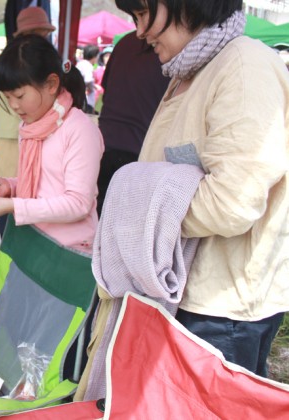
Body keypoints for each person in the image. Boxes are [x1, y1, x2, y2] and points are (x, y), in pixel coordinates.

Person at [115, 0, 289, 377]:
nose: (140, 31)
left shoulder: (245, 67)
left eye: (144, 13)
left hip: (220, 309)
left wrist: (139, 212)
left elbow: (232, 202)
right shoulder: (191, 69)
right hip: (182, 294)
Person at [0, 34, 104, 254]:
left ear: (51, 84)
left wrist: (14, 205)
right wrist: (10, 185)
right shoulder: (30, 127)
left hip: (68, 252)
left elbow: (78, 204)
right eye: (7, 97)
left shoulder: (79, 129)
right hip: (34, 241)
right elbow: (43, 185)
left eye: (20, 96)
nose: (14, 105)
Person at [96, 31, 169, 214]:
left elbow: (106, 89)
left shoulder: (125, 43)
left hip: (106, 146)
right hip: (139, 153)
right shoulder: (168, 47)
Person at [0, 6, 56, 180]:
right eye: (42, 35)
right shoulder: (17, 58)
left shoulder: (29, 57)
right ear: (30, 32)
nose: (44, 40)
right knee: (9, 178)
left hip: (25, 127)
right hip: (11, 128)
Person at [76, 44, 100, 114]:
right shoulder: (88, 66)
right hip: (87, 101)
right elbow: (88, 80)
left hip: (80, 99)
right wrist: (91, 88)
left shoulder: (80, 63)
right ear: (93, 56)